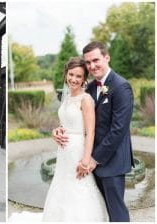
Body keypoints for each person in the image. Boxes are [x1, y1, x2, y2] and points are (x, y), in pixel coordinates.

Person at [9, 57, 108, 222]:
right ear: (66, 74)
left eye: (78, 76)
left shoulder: (86, 100)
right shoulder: (67, 97)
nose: (74, 79)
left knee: (79, 185)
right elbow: (65, 123)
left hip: (78, 151)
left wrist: (85, 159)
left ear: (84, 79)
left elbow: (90, 132)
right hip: (64, 152)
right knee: (62, 184)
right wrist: (57, 131)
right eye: (71, 75)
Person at [53, 41, 134, 222]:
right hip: (85, 157)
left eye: (96, 60)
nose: (92, 66)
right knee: (96, 209)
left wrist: (93, 159)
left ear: (107, 57)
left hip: (110, 161)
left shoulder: (121, 87)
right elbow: (80, 120)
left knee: (116, 211)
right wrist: (58, 130)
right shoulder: (88, 88)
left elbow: (118, 130)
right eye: (88, 62)